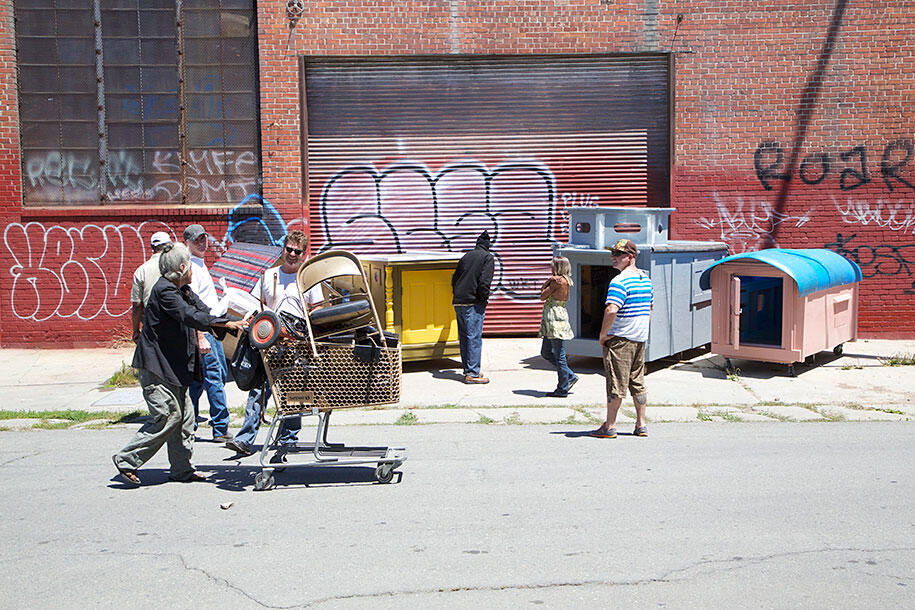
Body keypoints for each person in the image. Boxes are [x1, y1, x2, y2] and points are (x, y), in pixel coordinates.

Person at [112, 243, 245, 485]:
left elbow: (202, 310)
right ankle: (127, 459)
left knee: (185, 418)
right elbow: (189, 316)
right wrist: (221, 325)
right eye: (191, 265)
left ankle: (182, 469)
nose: (193, 269)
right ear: (182, 268)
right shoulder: (165, 291)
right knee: (167, 416)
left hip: (174, 366)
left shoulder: (182, 290)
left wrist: (227, 322)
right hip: (155, 366)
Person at [224, 230, 324, 457]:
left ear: (303, 255)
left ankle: (287, 438)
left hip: (296, 344)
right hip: (268, 342)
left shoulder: (307, 279)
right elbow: (258, 305)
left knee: (294, 392)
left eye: (297, 251)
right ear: (283, 249)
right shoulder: (268, 276)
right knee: (258, 390)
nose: (291, 254)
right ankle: (245, 439)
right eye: (288, 249)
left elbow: (317, 309)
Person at [591, 238, 653, 439]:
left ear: (630, 257)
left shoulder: (619, 281)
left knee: (616, 383)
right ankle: (641, 424)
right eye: (613, 254)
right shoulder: (645, 279)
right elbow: (650, 308)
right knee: (638, 381)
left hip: (621, 339)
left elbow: (611, 310)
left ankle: (610, 425)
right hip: (639, 338)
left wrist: (603, 335)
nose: (613, 258)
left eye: (618, 254)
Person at [183, 224, 232, 442]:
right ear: (187, 243)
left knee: (199, 380)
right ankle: (220, 428)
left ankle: (189, 423)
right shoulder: (192, 269)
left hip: (210, 327)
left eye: (204, 238)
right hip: (204, 331)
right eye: (197, 240)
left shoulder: (200, 265)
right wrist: (200, 336)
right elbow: (191, 308)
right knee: (215, 376)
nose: (202, 243)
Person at [451, 230, 495, 384]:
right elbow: (485, 282)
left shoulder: (466, 256)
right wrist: (483, 300)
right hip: (473, 302)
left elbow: (454, 278)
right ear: (488, 246)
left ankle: (469, 369)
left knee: (464, 337)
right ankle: (472, 373)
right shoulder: (488, 258)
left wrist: (457, 294)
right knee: (474, 337)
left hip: (459, 301)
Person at [539, 256, 579, 398]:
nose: (551, 268)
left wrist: (548, 281)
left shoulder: (557, 282)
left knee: (559, 355)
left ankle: (562, 388)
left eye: (553, 266)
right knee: (546, 353)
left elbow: (542, 295)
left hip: (554, 319)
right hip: (557, 317)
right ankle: (569, 376)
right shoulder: (566, 280)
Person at [130, 231, 172, 342]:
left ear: (152, 247)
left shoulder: (141, 270)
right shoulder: (176, 266)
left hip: (151, 325)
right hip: (174, 323)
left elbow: (137, 304)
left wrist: (135, 331)